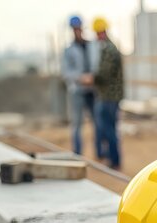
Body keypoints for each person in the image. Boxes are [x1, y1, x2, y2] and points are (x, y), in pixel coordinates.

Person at [81, 17, 124, 170]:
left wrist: (90, 78)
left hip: (109, 97)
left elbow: (104, 75)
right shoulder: (108, 48)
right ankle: (112, 158)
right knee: (109, 128)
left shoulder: (109, 50)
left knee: (109, 129)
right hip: (108, 96)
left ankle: (115, 160)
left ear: (101, 32)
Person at [61, 15, 103, 157]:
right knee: (77, 124)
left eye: (78, 28)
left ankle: (100, 152)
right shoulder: (68, 50)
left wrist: (93, 76)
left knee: (97, 122)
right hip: (77, 91)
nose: (77, 31)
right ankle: (77, 153)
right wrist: (80, 78)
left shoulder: (92, 46)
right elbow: (66, 72)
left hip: (92, 90)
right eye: (75, 29)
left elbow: (97, 64)